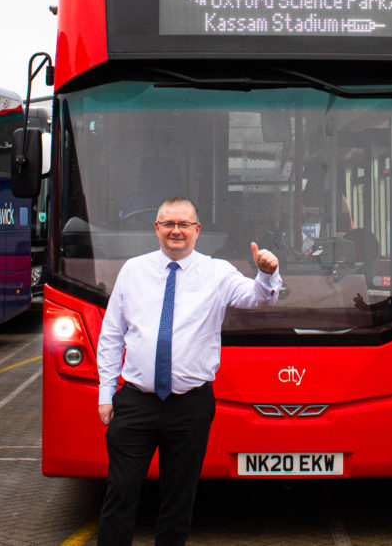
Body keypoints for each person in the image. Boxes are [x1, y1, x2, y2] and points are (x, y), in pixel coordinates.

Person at [96, 196, 281, 546]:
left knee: (178, 501)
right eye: (168, 224)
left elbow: (258, 298)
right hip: (135, 403)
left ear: (197, 230)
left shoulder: (217, 272)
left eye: (183, 225)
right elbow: (111, 336)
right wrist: (106, 395)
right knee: (120, 493)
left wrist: (266, 273)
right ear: (157, 229)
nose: (175, 231)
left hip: (190, 406)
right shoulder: (133, 271)